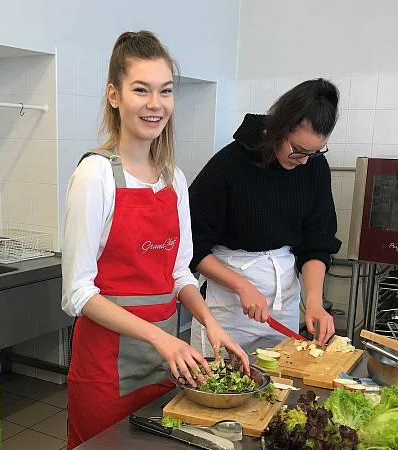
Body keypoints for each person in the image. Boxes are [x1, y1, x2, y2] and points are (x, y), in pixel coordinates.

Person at [61, 30, 249, 449]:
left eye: (165, 91)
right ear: (114, 95)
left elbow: (179, 273)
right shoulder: (95, 176)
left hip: (166, 364)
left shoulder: (173, 179)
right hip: (108, 368)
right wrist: (159, 337)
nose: (154, 104)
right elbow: (76, 293)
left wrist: (210, 322)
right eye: (140, 90)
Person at [188, 78, 342, 356]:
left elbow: (316, 241)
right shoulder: (229, 165)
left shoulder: (314, 167)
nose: (305, 161)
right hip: (227, 310)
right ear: (278, 129)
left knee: (280, 385)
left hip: (283, 307)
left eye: (315, 152)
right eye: (298, 150)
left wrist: (315, 302)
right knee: (221, 382)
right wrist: (241, 286)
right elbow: (192, 246)